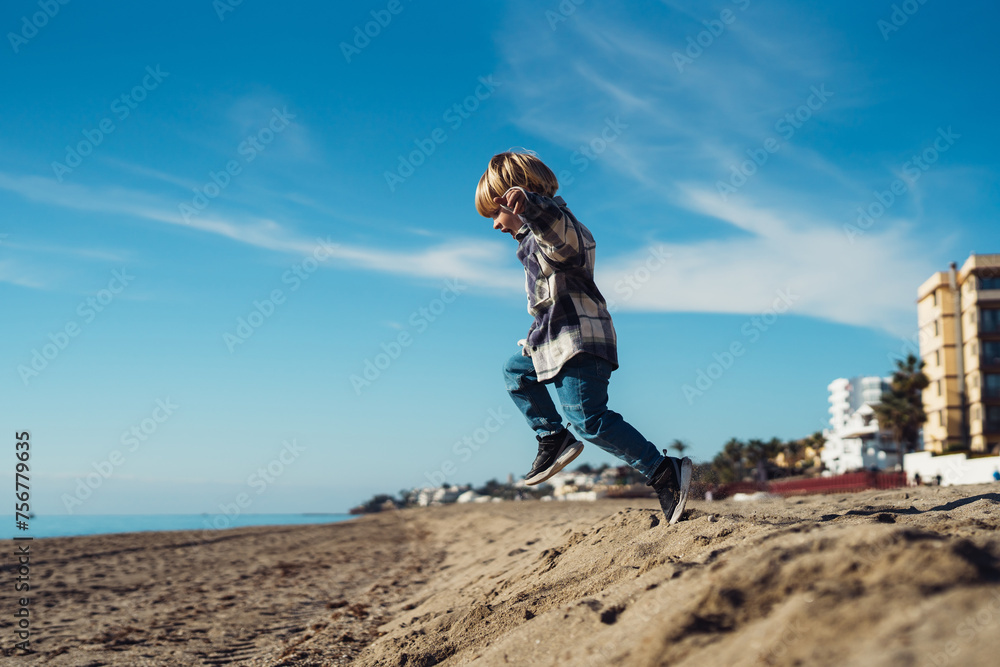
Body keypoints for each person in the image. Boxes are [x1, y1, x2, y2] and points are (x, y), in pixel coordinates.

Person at [474, 150, 692, 524]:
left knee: (589, 420)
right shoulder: (528, 245)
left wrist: (532, 207)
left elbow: (563, 239)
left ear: (519, 195)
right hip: (551, 341)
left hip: (579, 341)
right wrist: (533, 340)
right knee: (515, 372)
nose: (495, 224)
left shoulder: (556, 227)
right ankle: (553, 437)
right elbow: (547, 304)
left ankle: (663, 471)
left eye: (497, 212)